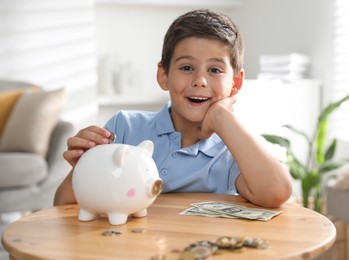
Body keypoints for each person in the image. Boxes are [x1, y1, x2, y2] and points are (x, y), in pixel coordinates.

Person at [54, 9, 292, 208]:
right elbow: (64, 205)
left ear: (236, 83)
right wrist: (85, 168)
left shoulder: (232, 151)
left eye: (215, 70)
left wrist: (221, 116)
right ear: (163, 75)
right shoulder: (123, 128)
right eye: (187, 67)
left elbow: (276, 193)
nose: (200, 80)